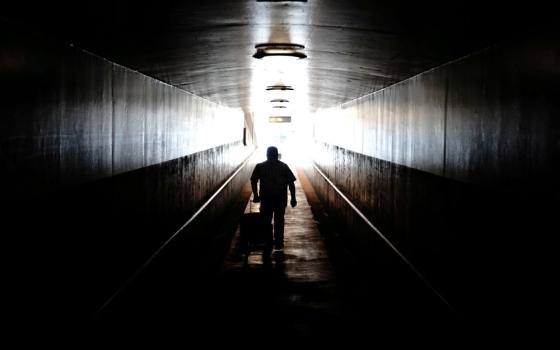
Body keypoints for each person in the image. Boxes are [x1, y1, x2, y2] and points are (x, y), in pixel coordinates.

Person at [251, 146, 297, 250]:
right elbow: (291, 183)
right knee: (279, 220)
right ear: (277, 155)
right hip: (280, 199)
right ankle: (279, 243)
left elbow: (253, 180)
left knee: (266, 221)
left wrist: (256, 195)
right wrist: (293, 198)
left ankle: (268, 242)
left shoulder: (260, 166)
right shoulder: (284, 167)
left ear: (267, 155)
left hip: (266, 199)